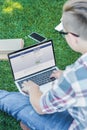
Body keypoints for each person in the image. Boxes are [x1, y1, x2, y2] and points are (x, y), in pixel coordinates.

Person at [0, 0, 87, 129]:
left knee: (15, 102)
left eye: (64, 32)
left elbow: (40, 107)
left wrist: (33, 89)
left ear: (73, 38)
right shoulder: (75, 75)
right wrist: (65, 76)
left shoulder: (74, 76)